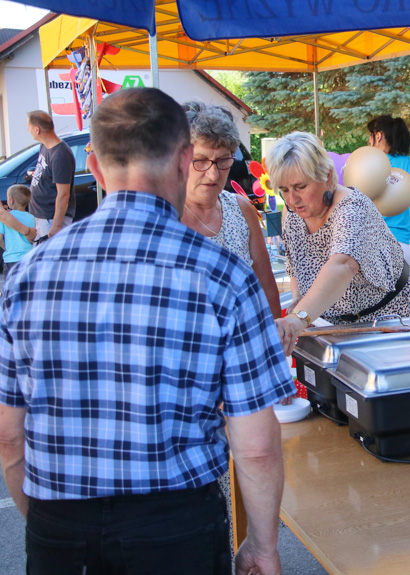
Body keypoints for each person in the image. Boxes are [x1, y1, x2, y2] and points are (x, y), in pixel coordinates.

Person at [0, 88, 294, 575]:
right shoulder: (222, 274)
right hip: (176, 523)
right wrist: (263, 546)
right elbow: (256, 445)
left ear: (93, 166)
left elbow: (10, 440)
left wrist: (50, 528)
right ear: (184, 160)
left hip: (61, 523)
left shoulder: (26, 275)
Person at [272, 131, 410, 355]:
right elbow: (295, 269)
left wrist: (299, 318)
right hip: (343, 328)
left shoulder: (352, 207)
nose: (292, 199)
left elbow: (343, 264)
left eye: (300, 187)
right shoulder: (293, 216)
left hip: (396, 320)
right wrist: (300, 306)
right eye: (284, 190)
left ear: (327, 176)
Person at [181, 102, 281, 318]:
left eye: (223, 161)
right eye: (200, 161)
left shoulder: (241, 209)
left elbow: (266, 289)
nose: (213, 174)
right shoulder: (163, 216)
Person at [367, 115, 410, 262]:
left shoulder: (367, 163)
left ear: (378, 136)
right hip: (401, 245)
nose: (368, 140)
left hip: (371, 244)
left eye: (370, 135)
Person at [26, 110, 76, 238]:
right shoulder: (45, 146)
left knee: (49, 257)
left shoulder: (60, 155)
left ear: (37, 130)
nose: (28, 130)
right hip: (41, 216)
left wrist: (57, 225)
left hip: (51, 218)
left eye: (29, 127)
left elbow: (63, 194)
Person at [0, 185, 36, 275]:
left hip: (11, 260)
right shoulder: (31, 218)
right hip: (29, 258)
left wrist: (7, 249)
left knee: (12, 287)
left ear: (11, 200)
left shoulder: (7, 218)